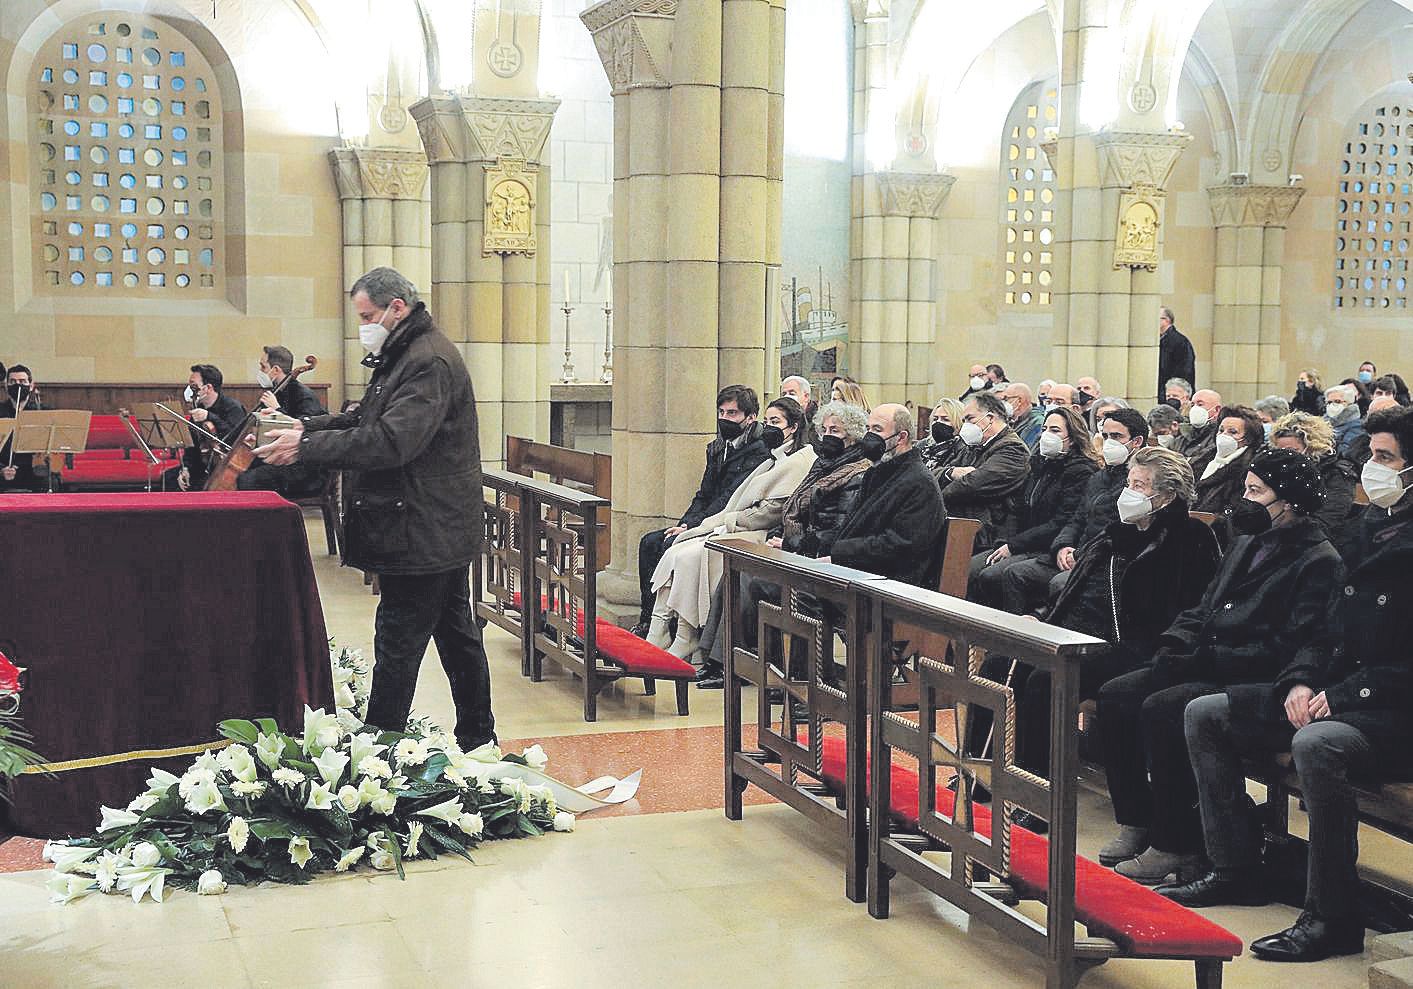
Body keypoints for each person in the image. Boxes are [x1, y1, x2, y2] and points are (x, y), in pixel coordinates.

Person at [1166, 407, 1413, 962]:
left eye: (1385, 458)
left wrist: (1344, 696)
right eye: (1371, 454)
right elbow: (1326, 628)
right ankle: (1234, 867)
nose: (1371, 469)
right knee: (1208, 711)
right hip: (1343, 691)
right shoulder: (1368, 529)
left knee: (1316, 744)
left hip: (1394, 709)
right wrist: (1301, 680)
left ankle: (1332, 916)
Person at [253, 266, 494, 750]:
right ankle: (478, 738)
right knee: (455, 634)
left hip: (424, 525)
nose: (363, 324)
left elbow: (391, 441)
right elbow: (365, 416)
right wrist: (306, 428)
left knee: (399, 640)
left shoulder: (428, 361)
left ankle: (377, 755)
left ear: (396, 308)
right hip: (431, 521)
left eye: (367, 315)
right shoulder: (402, 354)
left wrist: (306, 449)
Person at [1095, 449, 1340, 884]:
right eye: (1245, 487)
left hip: (1247, 673)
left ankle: (1174, 843)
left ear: (1291, 501)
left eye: (1255, 491)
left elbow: (1289, 646)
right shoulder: (1246, 541)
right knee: (1117, 695)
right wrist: (1175, 643)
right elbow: (1204, 605)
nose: (1244, 499)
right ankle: (1138, 817)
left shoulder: (1318, 560)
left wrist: (1203, 659)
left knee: (1162, 707)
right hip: (1205, 656)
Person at [1007, 448, 1221, 792]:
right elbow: (1077, 591)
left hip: (1134, 643)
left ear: (1166, 496)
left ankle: (1038, 788)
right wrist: (1043, 618)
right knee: (1000, 663)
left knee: (1044, 680)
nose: (1129, 492)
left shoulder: (1190, 536)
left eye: (1140, 485)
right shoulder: (1115, 533)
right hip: (1078, 631)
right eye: (1130, 482)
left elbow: (1188, 608)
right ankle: (987, 768)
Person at [697, 400, 873, 688]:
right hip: (798, 548)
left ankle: (753, 666)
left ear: (852, 436)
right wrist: (783, 536)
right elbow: (794, 507)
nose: (828, 434)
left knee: (755, 582)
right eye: (825, 428)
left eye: (836, 430)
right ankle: (719, 661)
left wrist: (792, 542)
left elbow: (836, 527)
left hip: (821, 559)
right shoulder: (823, 464)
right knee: (734, 572)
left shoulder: (856, 472)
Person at [646, 398, 817, 660]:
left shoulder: (801, 460)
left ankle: (687, 635)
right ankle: (661, 629)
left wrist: (730, 521)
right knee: (676, 551)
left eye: (776, 422)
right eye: (767, 421)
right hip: (737, 525)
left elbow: (770, 512)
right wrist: (716, 522)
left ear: (793, 427)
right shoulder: (773, 458)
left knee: (693, 556)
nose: (769, 427)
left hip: (757, 534)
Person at [631, 385, 772, 635]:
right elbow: (704, 494)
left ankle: (674, 627)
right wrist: (685, 522)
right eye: (722, 412)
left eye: (732, 413)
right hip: (703, 518)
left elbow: (729, 498)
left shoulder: (759, 451)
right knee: (649, 542)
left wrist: (692, 527)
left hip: (725, 522)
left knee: (671, 547)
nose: (725, 419)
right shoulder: (718, 447)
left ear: (750, 418)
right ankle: (648, 618)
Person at [969, 406, 1099, 613]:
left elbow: (1060, 522)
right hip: (1021, 542)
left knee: (994, 575)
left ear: (1073, 438)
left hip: (1045, 546)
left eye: (1055, 430)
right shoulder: (1039, 465)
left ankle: (1007, 637)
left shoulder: (1081, 471)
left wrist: (1014, 546)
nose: (1047, 434)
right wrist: (1006, 543)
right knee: (970, 568)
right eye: (1045, 429)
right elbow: (1016, 509)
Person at [823, 404, 946, 584]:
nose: (869, 437)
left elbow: (900, 545)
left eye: (877, 430)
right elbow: (852, 526)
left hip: (884, 582)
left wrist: (838, 555)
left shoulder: (920, 483)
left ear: (901, 437)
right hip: (854, 570)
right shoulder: (877, 472)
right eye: (868, 429)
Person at [939, 391, 1031, 551]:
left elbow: (972, 485)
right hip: (962, 525)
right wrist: (951, 472)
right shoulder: (972, 447)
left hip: (988, 534)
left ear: (990, 418)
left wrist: (934, 494)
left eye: (970, 419)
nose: (965, 425)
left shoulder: (1013, 450)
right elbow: (934, 472)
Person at [236, 346, 328, 497]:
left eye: (263, 366)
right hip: (283, 458)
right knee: (245, 469)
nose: (260, 371)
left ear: (276, 370)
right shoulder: (277, 392)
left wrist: (277, 409)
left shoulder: (304, 396)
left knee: (248, 480)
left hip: (304, 468)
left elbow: (307, 432)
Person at [1271, 411, 1358, 550]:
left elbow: (1327, 520)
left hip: (1318, 546)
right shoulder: (1276, 472)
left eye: (1292, 451)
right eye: (1279, 451)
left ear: (1311, 448)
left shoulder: (1337, 474)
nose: (1284, 457)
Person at [1191, 405, 1264, 545]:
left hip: (1218, 538)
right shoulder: (1204, 460)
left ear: (1248, 439)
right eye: (1221, 430)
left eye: (1233, 432)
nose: (1224, 436)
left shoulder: (1249, 469)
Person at [174, 364, 247, 491]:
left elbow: (234, 437)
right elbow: (192, 445)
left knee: (202, 487)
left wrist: (210, 416)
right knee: (169, 478)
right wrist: (185, 469)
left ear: (208, 387)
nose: (190, 389)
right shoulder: (198, 408)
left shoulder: (233, 408)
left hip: (224, 466)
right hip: (202, 464)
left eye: (193, 385)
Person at [0, 365, 44, 492]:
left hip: (34, 472)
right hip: (5, 471)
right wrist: (1, 470)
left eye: (22, 381)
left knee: (49, 480)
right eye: (12, 382)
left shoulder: (44, 412)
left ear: (31, 385)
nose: (17, 385)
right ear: (6, 387)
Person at [920, 397, 967, 478]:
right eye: (935, 419)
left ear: (959, 423)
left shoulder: (964, 450)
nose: (938, 423)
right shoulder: (922, 446)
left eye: (945, 419)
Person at [1157, 307, 1197, 402]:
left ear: (1166, 320)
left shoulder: (1180, 342)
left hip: (1173, 394)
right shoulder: (1159, 340)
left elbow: (1185, 371)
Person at [1176, 388, 1222, 462]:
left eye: (1200, 404)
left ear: (1217, 410)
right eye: (1192, 405)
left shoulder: (1219, 438)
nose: (1195, 408)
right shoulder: (1182, 435)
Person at [1323, 383, 1365, 457]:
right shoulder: (1322, 422)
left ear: (1349, 403)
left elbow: (1344, 451)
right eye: (1329, 402)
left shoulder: (1357, 426)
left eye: (1337, 401)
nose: (1332, 405)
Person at [1001, 382, 1044, 448]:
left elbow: (1025, 451)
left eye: (1006, 399)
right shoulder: (1013, 421)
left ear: (1019, 401)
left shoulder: (1037, 423)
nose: (1003, 403)